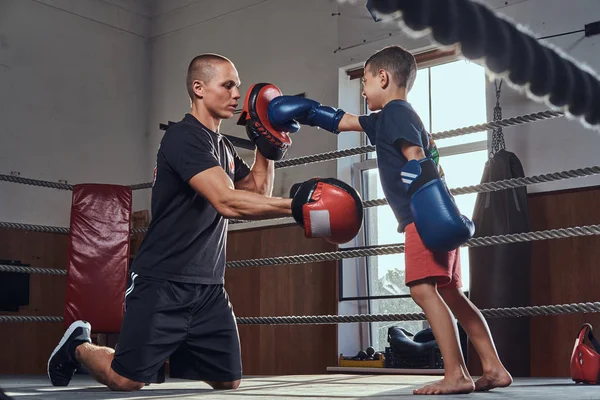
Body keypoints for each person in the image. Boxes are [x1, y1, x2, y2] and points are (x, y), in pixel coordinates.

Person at [47, 54, 363, 391]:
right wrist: (299, 206)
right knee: (126, 379)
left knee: (228, 381)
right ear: (199, 88)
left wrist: (268, 145)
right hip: (162, 281)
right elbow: (227, 202)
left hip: (208, 288)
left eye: (238, 86)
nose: (236, 94)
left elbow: (255, 191)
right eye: (227, 85)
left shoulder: (222, 146)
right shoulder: (183, 137)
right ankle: (79, 345)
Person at [267, 45, 513, 395]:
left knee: (422, 290)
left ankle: (456, 373)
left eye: (365, 81)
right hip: (437, 214)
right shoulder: (392, 117)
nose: (363, 90)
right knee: (453, 295)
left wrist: (424, 204)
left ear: (383, 78)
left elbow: (416, 158)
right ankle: (493, 367)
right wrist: (306, 111)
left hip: (423, 218)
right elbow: (342, 121)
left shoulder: (396, 113)